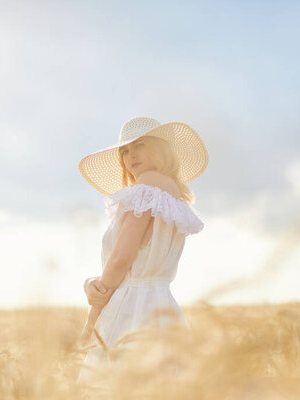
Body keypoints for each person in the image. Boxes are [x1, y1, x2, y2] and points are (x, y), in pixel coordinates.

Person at [76, 116, 208, 385]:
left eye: (140, 146)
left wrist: (92, 315)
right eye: (124, 151)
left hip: (129, 306)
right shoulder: (173, 195)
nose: (130, 155)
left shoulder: (145, 188)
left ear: (160, 149)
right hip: (163, 307)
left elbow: (121, 260)